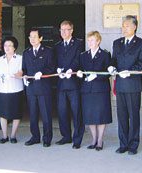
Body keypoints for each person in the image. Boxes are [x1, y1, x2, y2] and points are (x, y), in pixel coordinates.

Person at [110, 15, 142, 155]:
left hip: (133, 84)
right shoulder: (117, 42)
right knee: (122, 116)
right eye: (123, 26)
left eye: (127, 26)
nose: (124, 28)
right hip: (120, 84)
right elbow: (114, 60)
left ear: (134, 27)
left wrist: (130, 72)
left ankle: (133, 145)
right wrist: (111, 67)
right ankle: (123, 144)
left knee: (133, 115)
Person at [77, 31, 112, 151]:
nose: (90, 43)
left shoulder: (105, 55)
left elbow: (108, 73)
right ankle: (94, 139)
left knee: (101, 115)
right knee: (90, 115)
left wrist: (96, 76)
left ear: (98, 41)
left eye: (92, 40)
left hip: (100, 89)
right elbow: (80, 68)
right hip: (87, 90)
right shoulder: (83, 55)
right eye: (89, 40)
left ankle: (100, 140)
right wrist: (80, 73)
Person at [53, 20, 84, 149]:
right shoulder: (57, 46)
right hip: (61, 84)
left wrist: (71, 69)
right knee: (62, 111)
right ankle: (66, 136)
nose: (64, 32)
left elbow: (79, 59)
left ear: (72, 30)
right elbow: (54, 61)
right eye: (62, 30)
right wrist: (58, 70)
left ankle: (77, 139)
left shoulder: (79, 43)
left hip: (74, 83)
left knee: (76, 112)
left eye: (66, 29)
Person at [22, 27, 55, 147]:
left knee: (46, 114)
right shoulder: (26, 52)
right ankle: (35, 137)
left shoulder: (48, 51)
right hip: (31, 88)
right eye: (30, 37)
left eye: (35, 37)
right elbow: (24, 68)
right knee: (33, 114)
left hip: (44, 87)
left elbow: (52, 67)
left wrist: (42, 73)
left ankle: (47, 138)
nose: (32, 39)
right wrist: (24, 76)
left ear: (41, 38)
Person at [0, 36, 24, 144]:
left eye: (10, 45)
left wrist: (17, 74)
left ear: (14, 47)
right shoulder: (0, 60)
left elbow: (21, 72)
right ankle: (4, 136)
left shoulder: (20, 58)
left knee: (16, 114)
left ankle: (13, 136)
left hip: (16, 89)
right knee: (2, 114)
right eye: (5, 45)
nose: (7, 47)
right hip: (2, 90)